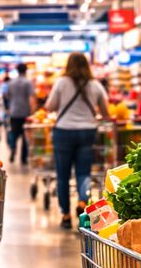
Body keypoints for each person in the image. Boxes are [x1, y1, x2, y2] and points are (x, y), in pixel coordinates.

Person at [45, 52, 110, 229]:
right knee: (83, 172)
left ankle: (65, 215)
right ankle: (82, 203)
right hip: (87, 131)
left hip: (63, 131)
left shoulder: (61, 82)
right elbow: (105, 112)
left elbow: (50, 106)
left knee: (63, 175)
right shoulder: (95, 85)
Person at [6, 63, 36, 165]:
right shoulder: (28, 82)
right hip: (25, 112)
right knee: (25, 137)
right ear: (25, 71)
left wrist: (8, 109)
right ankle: (24, 158)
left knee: (14, 133)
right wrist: (32, 112)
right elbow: (31, 98)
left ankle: (13, 148)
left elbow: (7, 96)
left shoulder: (11, 83)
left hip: (14, 111)